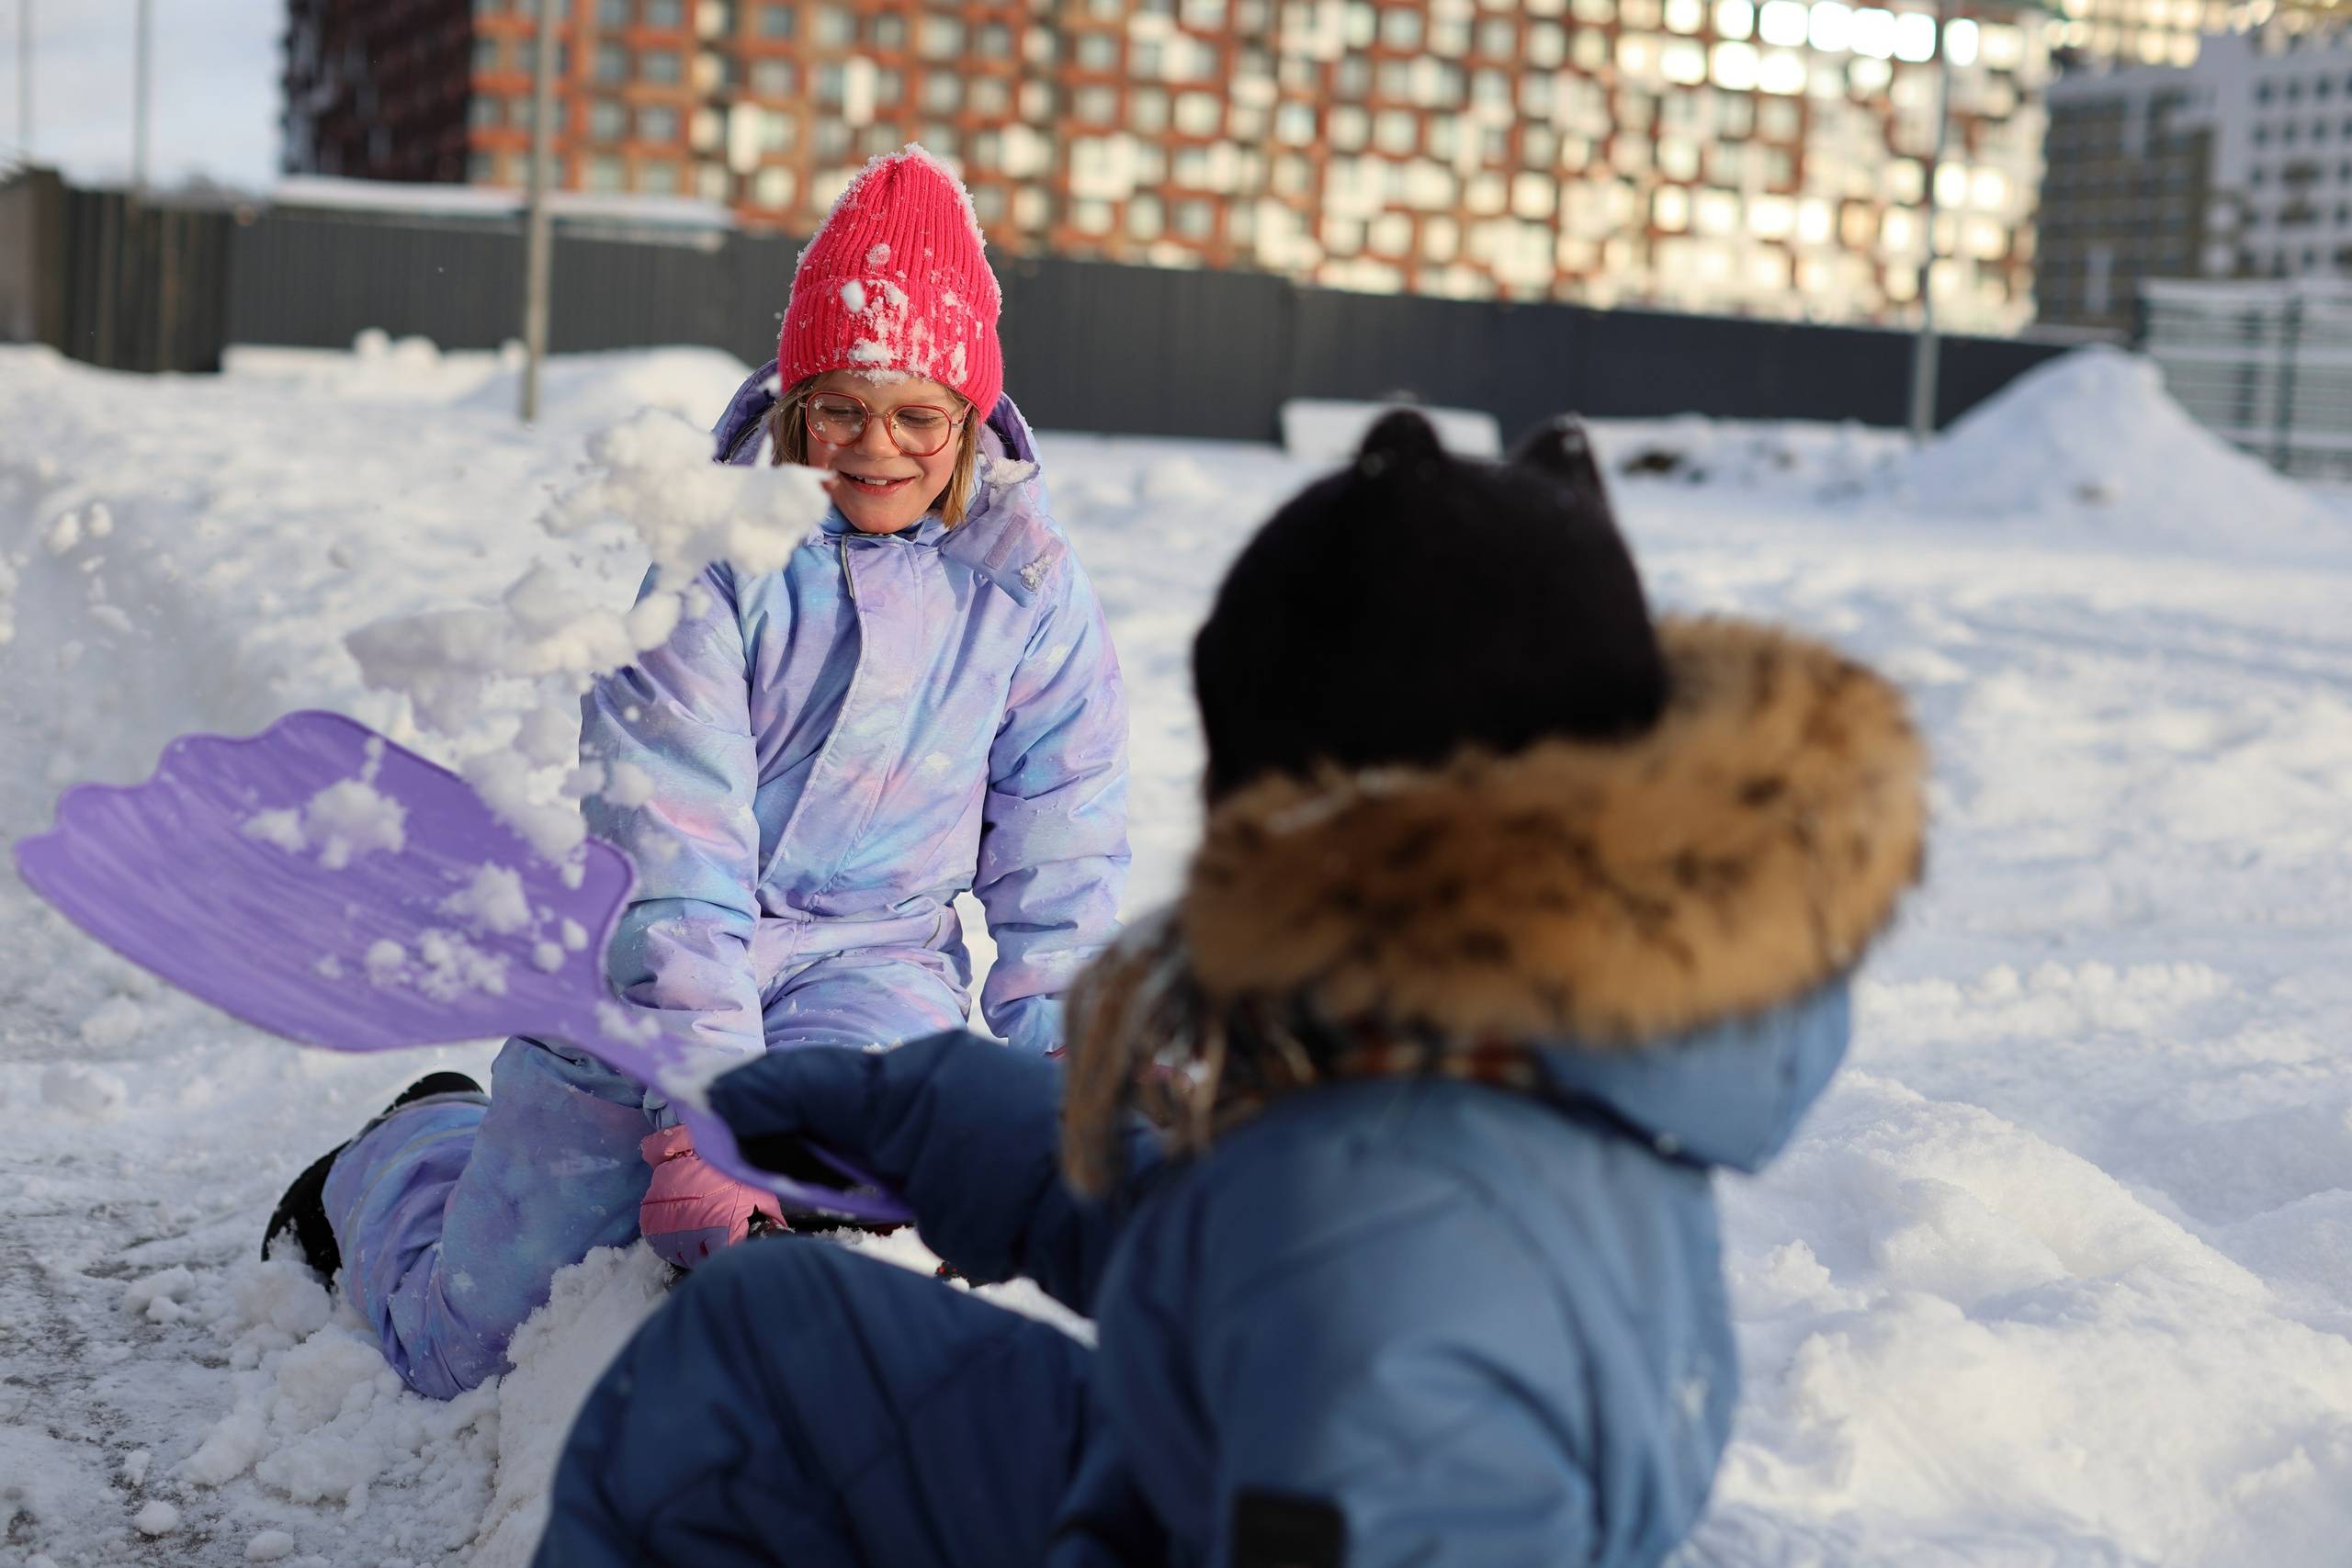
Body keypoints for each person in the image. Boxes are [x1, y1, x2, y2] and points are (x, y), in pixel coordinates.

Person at [534, 410, 1929, 1567]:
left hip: (1173, 1518)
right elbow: (1242, 1225)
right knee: (776, 1332)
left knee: (726, 1390)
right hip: (1196, 1458)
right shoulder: (1515, 1042)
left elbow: (1338, 1314)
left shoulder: (1416, 1294)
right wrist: (915, 1110)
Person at [261, 147, 1131, 1401]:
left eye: (917, 417)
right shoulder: (716, 564)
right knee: (477, 1343)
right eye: (840, 406)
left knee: (867, 1211)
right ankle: (407, 1153)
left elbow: (1064, 849)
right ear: (795, 402)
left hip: (871, 964)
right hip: (646, 968)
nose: (874, 446)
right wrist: (712, 1098)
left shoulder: (1028, 587)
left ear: (971, 423)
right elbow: (675, 851)